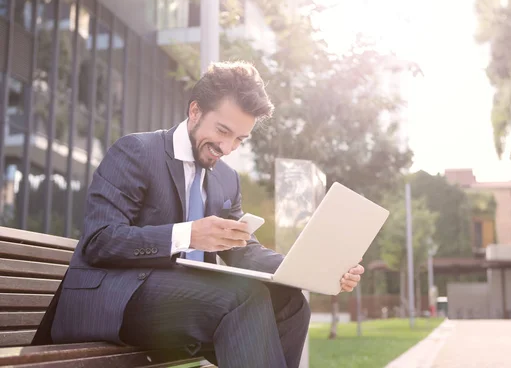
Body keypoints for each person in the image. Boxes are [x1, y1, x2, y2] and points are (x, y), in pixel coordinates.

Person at [32, 61, 364, 368]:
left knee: (291, 304)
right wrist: (188, 234)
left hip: (186, 303)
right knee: (239, 298)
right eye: (222, 131)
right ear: (195, 111)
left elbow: (242, 250)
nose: (228, 147)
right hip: (113, 300)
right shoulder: (136, 152)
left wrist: (313, 269)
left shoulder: (225, 179)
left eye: (239, 139)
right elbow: (99, 241)